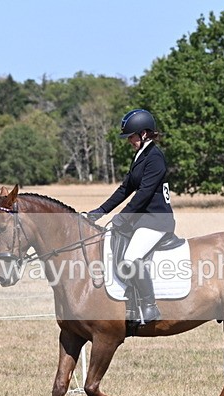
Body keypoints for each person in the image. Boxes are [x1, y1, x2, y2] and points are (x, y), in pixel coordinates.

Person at [87, 109, 175, 324]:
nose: (129, 141)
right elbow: (125, 188)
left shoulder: (155, 157)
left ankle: (149, 306)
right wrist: (99, 212)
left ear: (144, 133)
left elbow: (144, 194)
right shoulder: (141, 155)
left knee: (132, 257)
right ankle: (131, 299)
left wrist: (123, 217)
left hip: (157, 221)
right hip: (142, 220)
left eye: (131, 136)